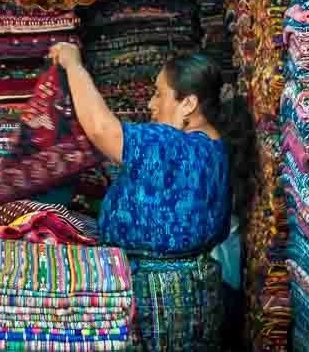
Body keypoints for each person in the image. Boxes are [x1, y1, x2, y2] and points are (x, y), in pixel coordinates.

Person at [48, 42, 246, 351]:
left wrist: (74, 66)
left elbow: (102, 129)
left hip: (159, 305)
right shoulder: (213, 149)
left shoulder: (175, 145)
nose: (151, 105)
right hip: (198, 295)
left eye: (159, 93)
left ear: (188, 104)